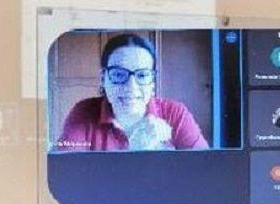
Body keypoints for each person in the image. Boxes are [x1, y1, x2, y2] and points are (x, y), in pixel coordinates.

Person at [55, 34, 209, 152]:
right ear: (103, 78)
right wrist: (134, 152)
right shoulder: (83, 112)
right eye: (118, 74)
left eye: (142, 75)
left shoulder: (175, 113)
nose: (131, 87)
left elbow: (205, 171)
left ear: (152, 81)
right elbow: (66, 173)